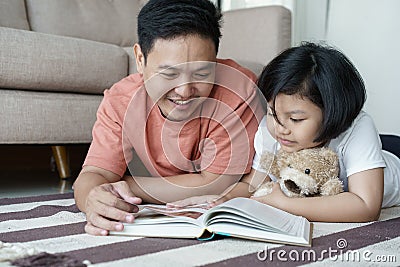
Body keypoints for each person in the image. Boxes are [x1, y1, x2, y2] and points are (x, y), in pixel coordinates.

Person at [73, 0, 263, 235]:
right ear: (140, 60)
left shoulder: (238, 91)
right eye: (169, 74)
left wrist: (129, 185)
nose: (184, 91)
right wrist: (93, 199)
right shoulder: (121, 101)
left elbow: (218, 183)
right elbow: (93, 175)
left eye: (202, 73)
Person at [169, 42, 400, 222]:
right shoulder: (274, 129)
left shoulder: (357, 127)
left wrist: (283, 204)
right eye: (272, 113)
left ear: (332, 111)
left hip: (391, 155)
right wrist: (223, 199)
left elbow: (365, 206)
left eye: (296, 119)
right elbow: (253, 184)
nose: (280, 128)